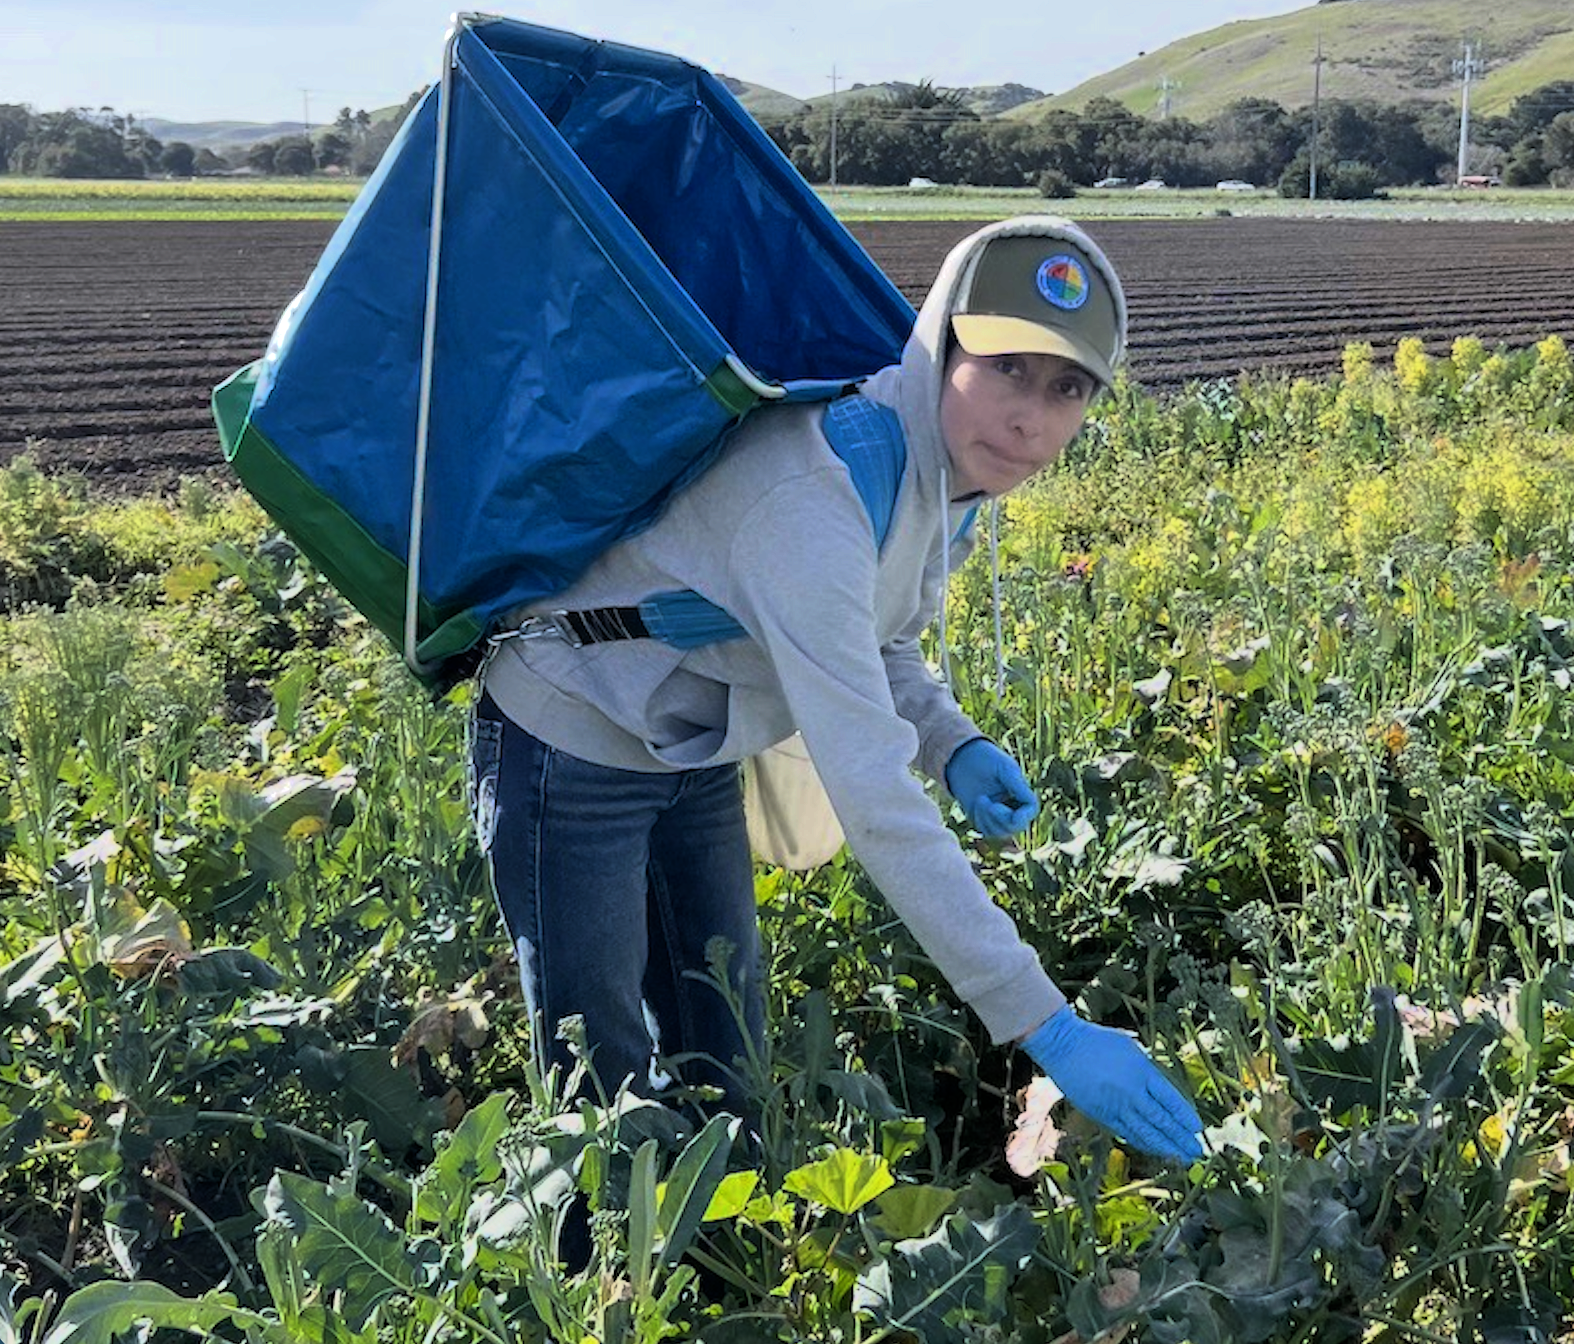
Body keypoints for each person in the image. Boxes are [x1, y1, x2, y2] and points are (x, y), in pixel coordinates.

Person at [468, 215, 1204, 1165]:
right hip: (572, 735)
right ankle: (595, 1285)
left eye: (1068, 387)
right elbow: (875, 800)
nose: (1032, 416)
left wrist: (953, 742)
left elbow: (882, 635)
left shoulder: (939, 479)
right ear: (942, 348)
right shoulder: (815, 495)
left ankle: (720, 1267)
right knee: (599, 1072)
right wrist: (1045, 1026)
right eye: (1006, 368)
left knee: (721, 1034)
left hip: (697, 739)